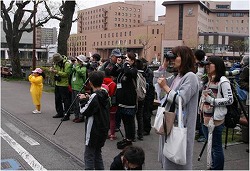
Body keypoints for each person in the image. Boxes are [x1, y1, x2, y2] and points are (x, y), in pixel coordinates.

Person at [157, 46, 199, 170]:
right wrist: (163, 66)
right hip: (171, 125)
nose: (173, 59)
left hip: (181, 126)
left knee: (178, 159)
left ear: (185, 58)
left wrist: (165, 87)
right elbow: (158, 87)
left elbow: (180, 100)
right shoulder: (178, 76)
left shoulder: (191, 77)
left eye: (176, 56)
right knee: (169, 157)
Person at [199, 56, 233, 170]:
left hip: (216, 120)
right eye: (206, 64)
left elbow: (230, 100)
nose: (207, 66)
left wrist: (212, 100)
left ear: (217, 65)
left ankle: (217, 168)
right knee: (211, 146)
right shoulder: (208, 79)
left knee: (216, 147)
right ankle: (212, 166)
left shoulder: (223, 81)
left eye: (210, 64)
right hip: (205, 118)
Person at [78, 71, 110, 170]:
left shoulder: (94, 97)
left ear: (90, 83)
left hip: (93, 129)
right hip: (103, 128)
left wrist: (82, 100)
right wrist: (89, 98)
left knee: (89, 156)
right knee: (97, 154)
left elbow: (84, 111)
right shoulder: (105, 94)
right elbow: (96, 106)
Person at [111, 52, 138, 143]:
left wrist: (126, 64)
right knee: (124, 120)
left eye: (128, 59)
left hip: (129, 100)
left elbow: (128, 72)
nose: (125, 60)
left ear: (133, 61)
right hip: (121, 100)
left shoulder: (134, 70)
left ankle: (131, 137)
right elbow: (113, 72)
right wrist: (118, 63)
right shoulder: (123, 69)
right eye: (125, 59)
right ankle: (127, 137)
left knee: (129, 120)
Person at [50, 53, 72, 121]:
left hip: (64, 84)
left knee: (65, 100)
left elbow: (67, 74)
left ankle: (67, 114)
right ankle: (60, 112)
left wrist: (57, 72)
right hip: (57, 83)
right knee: (57, 99)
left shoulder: (67, 64)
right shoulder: (57, 63)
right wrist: (53, 70)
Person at [70, 55, 88, 123]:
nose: (76, 62)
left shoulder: (83, 68)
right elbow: (70, 71)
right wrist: (72, 65)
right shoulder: (76, 67)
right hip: (74, 87)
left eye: (78, 60)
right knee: (74, 103)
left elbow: (81, 73)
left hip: (80, 87)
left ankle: (81, 117)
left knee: (80, 103)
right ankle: (76, 116)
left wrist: (76, 67)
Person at [194, 49, 207, 142]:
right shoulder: (196, 66)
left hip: (203, 91)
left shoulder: (206, 66)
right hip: (197, 90)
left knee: (201, 112)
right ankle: (199, 130)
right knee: (197, 112)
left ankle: (203, 133)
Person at [103, 68, 118, 140]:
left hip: (103, 103)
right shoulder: (113, 84)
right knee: (112, 119)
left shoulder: (101, 83)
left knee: (104, 119)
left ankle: (104, 133)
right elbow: (113, 93)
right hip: (111, 103)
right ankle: (112, 134)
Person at [141, 58, 155, 136]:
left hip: (149, 94)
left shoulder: (149, 72)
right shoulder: (144, 71)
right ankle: (143, 128)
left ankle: (147, 129)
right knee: (142, 113)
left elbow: (150, 83)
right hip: (144, 94)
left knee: (147, 112)